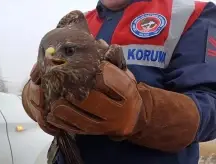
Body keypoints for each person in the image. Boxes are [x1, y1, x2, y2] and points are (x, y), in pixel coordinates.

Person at [21, 0, 216, 163]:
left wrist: (143, 113)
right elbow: (38, 78)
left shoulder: (190, 14)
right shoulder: (73, 26)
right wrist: (32, 99)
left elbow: (211, 105)